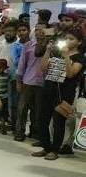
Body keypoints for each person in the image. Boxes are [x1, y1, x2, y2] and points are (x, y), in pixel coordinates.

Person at [32, 28, 86, 160]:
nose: (67, 41)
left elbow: (70, 73)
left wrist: (67, 56)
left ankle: (55, 150)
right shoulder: (56, 54)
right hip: (48, 89)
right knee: (41, 120)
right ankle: (46, 147)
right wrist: (48, 51)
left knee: (58, 122)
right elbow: (43, 68)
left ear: (79, 42)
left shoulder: (79, 57)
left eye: (71, 39)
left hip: (64, 93)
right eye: (66, 38)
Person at [15, 23, 46, 141]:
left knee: (38, 110)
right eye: (37, 29)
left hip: (43, 83)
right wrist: (18, 81)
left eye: (42, 30)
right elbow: (22, 64)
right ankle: (19, 132)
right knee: (22, 109)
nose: (39, 32)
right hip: (28, 81)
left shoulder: (51, 46)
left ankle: (35, 132)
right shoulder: (28, 45)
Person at [8, 22, 30, 132]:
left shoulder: (33, 44)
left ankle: (33, 130)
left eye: (24, 30)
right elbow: (16, 61)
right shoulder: (14, 46)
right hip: (17, 78)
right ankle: (17, 128)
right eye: (19, 31)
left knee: (30, 106)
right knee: (18, 105)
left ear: (29, 31)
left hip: (31, 79)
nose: (22, 33)